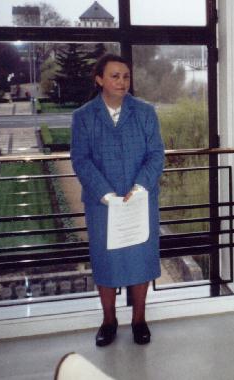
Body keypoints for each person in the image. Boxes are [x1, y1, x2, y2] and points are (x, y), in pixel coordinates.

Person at [71, 54, 165, 347]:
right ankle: (109, 320)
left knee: (140, 258)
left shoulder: (145, 112)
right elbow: (80, 159)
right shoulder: (83, 116)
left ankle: (139, 320)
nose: (122, 81)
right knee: (106, 262)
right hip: (102, 205)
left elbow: (156, 155)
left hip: (140, 199)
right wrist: (106, 193)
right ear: (99, 79)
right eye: (115, 76)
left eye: (125, 76)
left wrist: (139, 187)